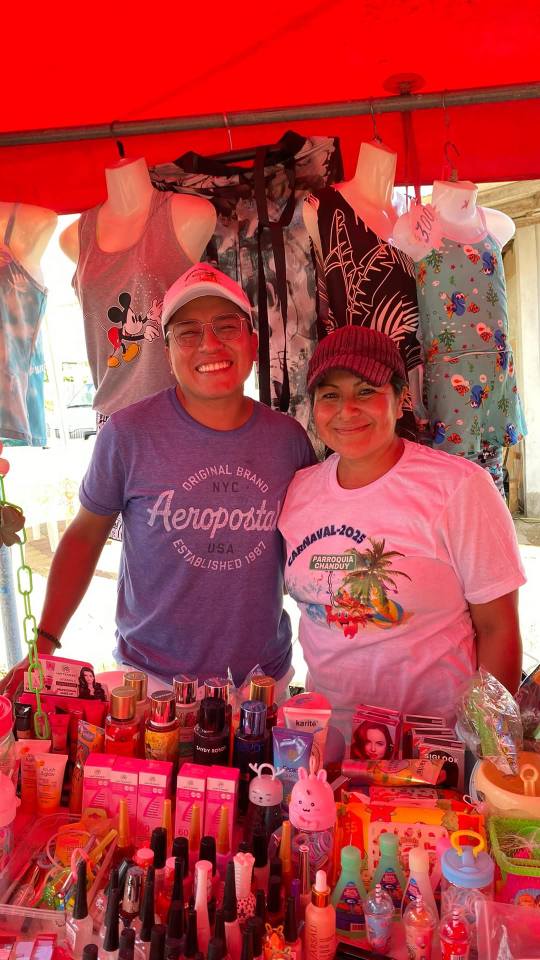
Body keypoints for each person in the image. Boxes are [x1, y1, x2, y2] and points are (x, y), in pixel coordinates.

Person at [0, 264, 315, 699]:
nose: (210, 343)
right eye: (188, 332)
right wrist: (44, 644)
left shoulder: (289, 441)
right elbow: (85, 537)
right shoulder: (127, 434)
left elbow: (315, 547)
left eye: (227, 326)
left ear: (253, 342)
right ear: (167, 353)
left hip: (261, 683)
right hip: (153, 683)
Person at [278, 325, 525, 737]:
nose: (347, 410)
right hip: (330, 744)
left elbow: (498, 628)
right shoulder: (298, 492)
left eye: (366, 391)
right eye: (330, 395)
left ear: (400, 400)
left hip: (435, 746)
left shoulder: (459, 488)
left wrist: (486, 741)